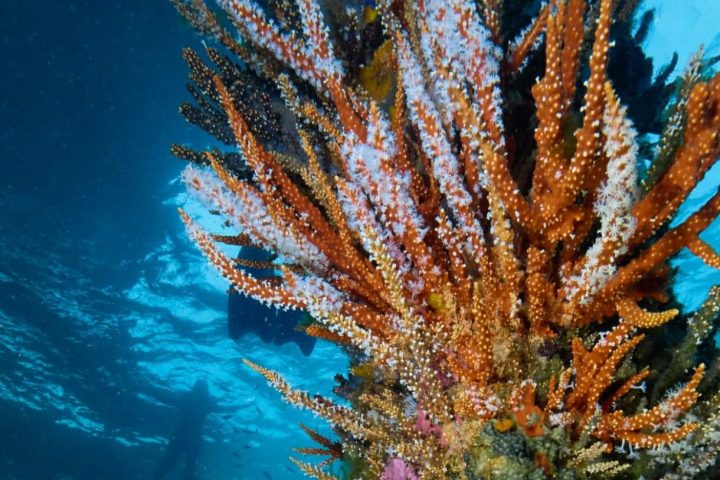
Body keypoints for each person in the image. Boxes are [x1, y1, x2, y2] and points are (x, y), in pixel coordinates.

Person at [152, 380, 239, 480]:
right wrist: (245, 405)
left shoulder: (187, 400)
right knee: (188, 464)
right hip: (193, 437)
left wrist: (152, 391)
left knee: (172, 462)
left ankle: (159, 476)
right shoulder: (205, 404)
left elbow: (167, 399)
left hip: (180, 435)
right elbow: (226, 409)